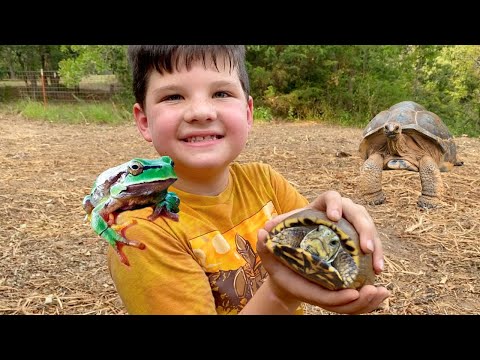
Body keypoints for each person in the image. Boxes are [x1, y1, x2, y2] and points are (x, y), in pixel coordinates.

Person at [107, 45, 390, 315]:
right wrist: (280, 294)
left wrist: (344, 230)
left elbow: (315, 261)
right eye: (173, 97)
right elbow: (291, 285)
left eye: (220, 92)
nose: (201, 112)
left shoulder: (264, 182)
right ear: (144, 121)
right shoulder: (141, 232)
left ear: (248, 112)